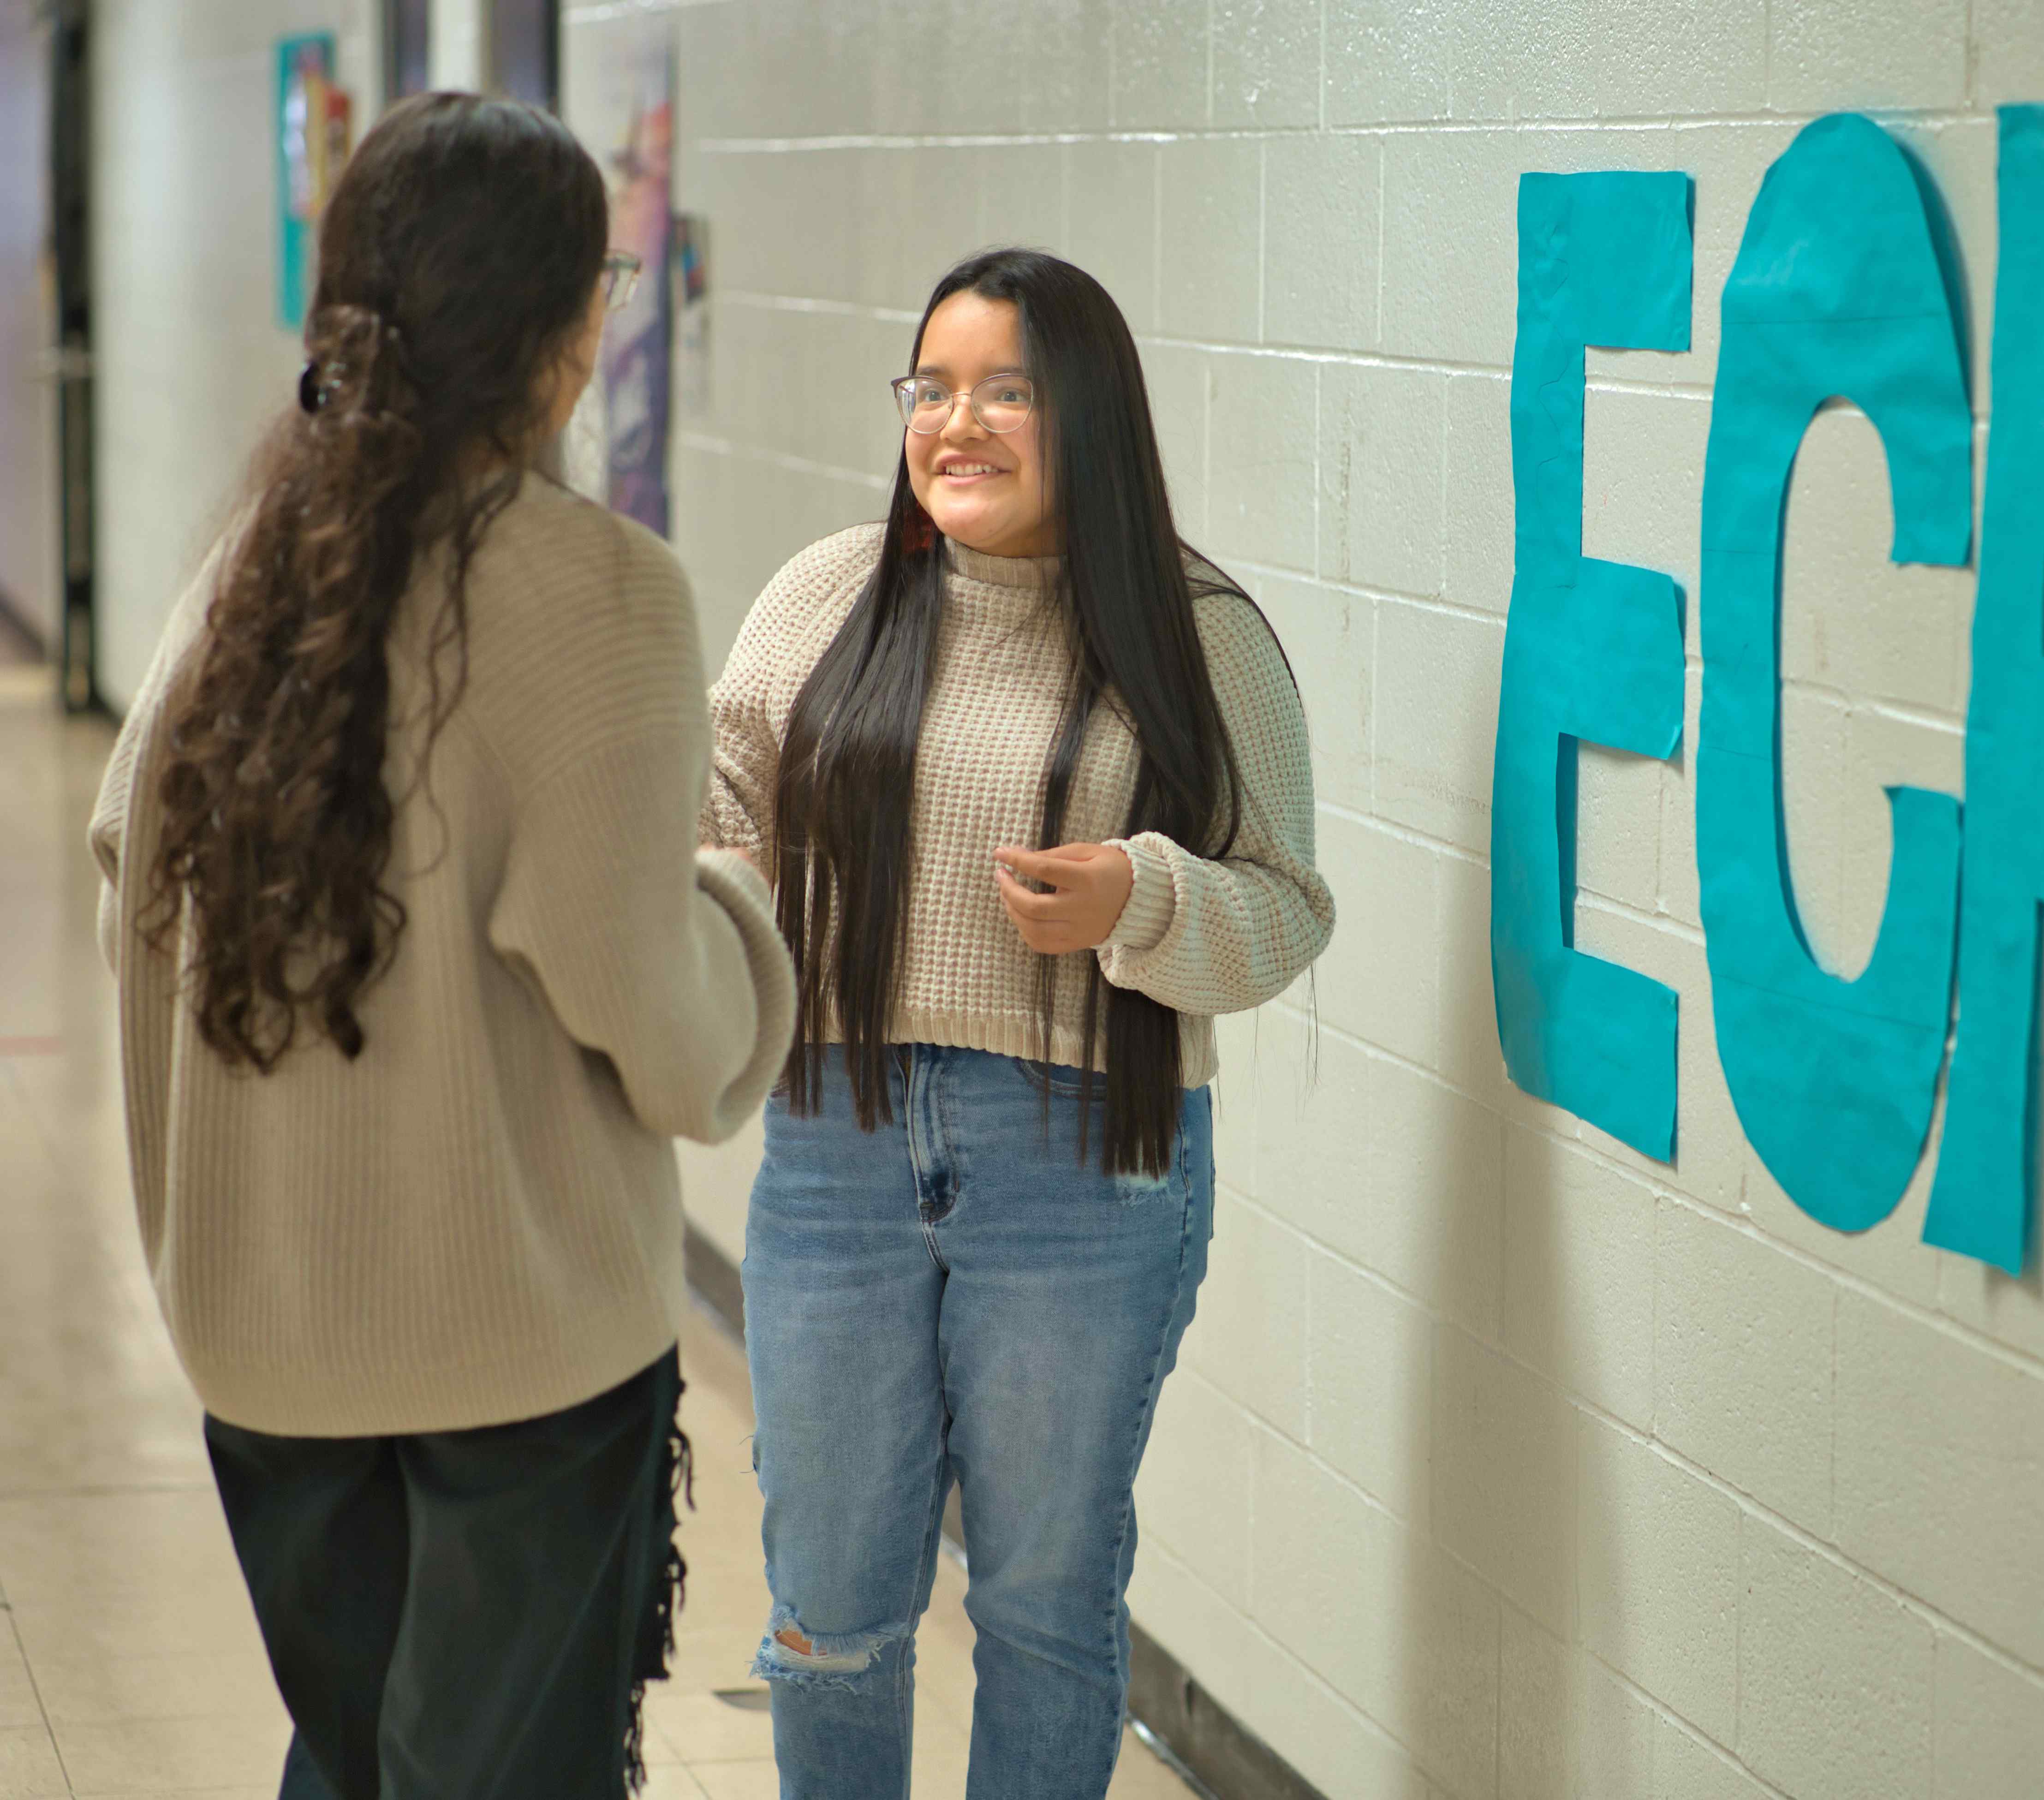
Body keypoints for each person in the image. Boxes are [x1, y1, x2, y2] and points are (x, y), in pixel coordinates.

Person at [86, 93, 793, 1799]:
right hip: (515, 1356)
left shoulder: (248, 569)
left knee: (356, 1762)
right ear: (558, 331)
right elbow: (674, 1042)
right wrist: (749, 902)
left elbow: (128, 865)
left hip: (264, 1340)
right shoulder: (600, 593)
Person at [702, 247, 1335, 1800]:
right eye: (932, 387)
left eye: (1005, 390)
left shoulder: (1199, 634)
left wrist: (1143, 898)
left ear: (1090, 417)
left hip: (1080, 1170)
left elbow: (1288, 908)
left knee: (1042, 1603)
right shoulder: (823, 598)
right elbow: (717, 834)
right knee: (832, 1602)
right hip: (835, 1144)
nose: (955, 423)